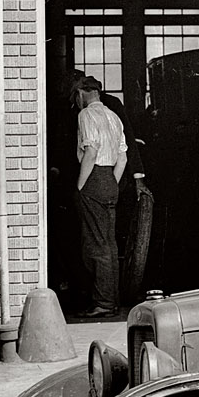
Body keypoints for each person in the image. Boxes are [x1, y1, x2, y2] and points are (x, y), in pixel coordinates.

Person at [72, 74, 128, 320]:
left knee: (95, 245)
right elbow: (123, 158)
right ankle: (111, 300)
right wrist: (110, 183)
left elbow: (91, 151)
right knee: (109, 243)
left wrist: (81, 185)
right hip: (110, 180)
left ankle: (102, 303)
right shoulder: (113, 117)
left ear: (82, 93)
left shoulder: (85, 115)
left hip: (93, 177)